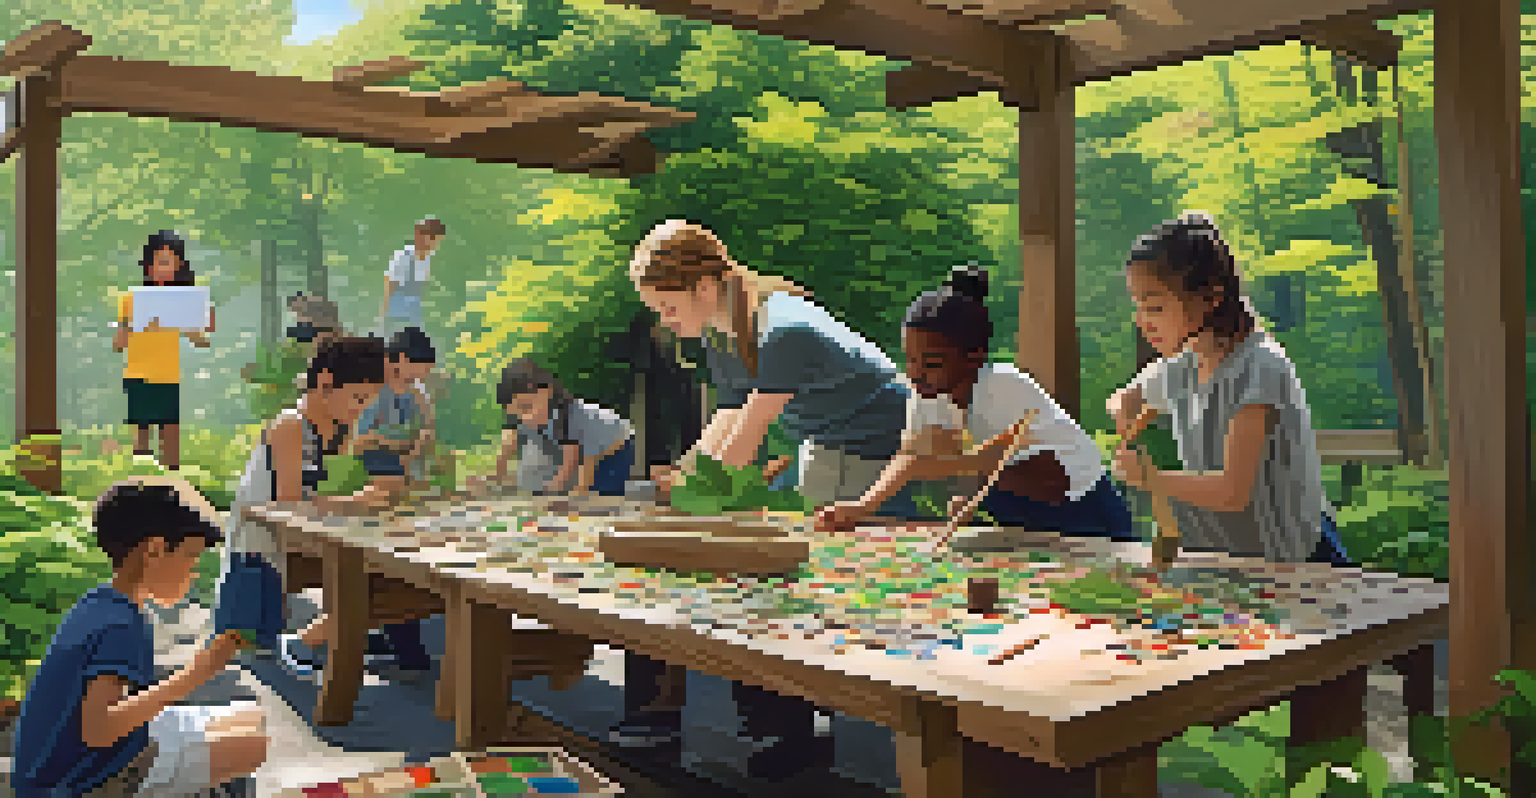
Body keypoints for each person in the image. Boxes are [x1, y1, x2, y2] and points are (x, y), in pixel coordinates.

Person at [620, 219, 917, 776]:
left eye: (666, 305)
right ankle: (793, 731)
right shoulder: (719, 331)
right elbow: (725, 419)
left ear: (704, 287)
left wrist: (687, 504)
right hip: (826, 445)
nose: (664, 318)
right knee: (798, 578)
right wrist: (683, 477)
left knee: (869, 586)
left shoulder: (781, 329)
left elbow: (748, 438)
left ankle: (893, 735)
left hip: (888, 453)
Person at [816, 265, 1134, 539]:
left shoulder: (1003, 387)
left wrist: (962, 475)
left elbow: (1050, 480)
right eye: (910, 360)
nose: (916, 374)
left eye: (931, 363)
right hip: (1019, 509)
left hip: (1084, 511)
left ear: (973, 359)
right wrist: (862, 507)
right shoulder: (930, 392)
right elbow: (911, 454)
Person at [1107, 212, 1351, 565]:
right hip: (1228, 561)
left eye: (1156, 306)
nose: (1142, 321)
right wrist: (1127, 423)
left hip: (1297, 560)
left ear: (1210, 297)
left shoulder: (1260, 366)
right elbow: (1125, 398)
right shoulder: (1181, 366)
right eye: (1138, 306)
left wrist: (1148, 477)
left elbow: (1233, 492)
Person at [10, 479, 268, 798]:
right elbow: (99, 729)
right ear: (154, 550)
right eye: (191, 557)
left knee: (254, 719)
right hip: (84, 780)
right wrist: (201, 671)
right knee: (257, 748)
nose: (195, 571)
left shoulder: (103, 601)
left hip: (85, 759)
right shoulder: (119, 626)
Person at [216, 337, 405, 677]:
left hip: (286, 540)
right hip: (256, 548)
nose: (361, 410)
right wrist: (357, 502)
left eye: (368, 402)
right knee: (249, 650)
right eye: (359, 399)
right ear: (325, 383)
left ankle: (329, 638)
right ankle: (310, 642)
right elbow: (290, 501)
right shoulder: (292, 425)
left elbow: (311, 495)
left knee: (376, 576)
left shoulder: (326, 429)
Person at [344, 327, 440, 681]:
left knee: (398, 568)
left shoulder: (418, 396)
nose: (422, 375)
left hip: (407, 485)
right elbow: (356, 441)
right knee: (382, 569)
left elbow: (427, 432)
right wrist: (389, 441)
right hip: (373, 483)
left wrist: (421, 443)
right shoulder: (373, 393)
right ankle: (402, 647)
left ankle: (404, 648)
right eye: (419, 366)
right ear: (398, 360)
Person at [112, 230, 215, 471]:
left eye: (171, 263)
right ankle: (140, 493)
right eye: (160, 262)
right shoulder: (130, 299)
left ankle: (170, 495)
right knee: (142, 445)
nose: (165, 269)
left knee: (170, 444)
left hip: (169, 377)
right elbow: (119, 344)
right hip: (138, 376)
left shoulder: (183, 301)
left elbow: (201, 341)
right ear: (148, 266)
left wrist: (201, 323)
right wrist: (131, 325)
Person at [478, 359, 635, 497]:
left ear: (547, 392)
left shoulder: (574, 416)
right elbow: (510, 444)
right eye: (516, 414)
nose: (524, 418)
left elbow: (584, 461)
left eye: (526, 407)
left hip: (620, 450)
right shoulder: (536, 419)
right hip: (589, 452)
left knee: (601, 493)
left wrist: (573, 495)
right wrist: (495, 477)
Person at [378, 217, 446, 338]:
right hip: (396, 315)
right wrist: (383, 317)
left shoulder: (427, 258)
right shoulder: (404, 256)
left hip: (414, 316)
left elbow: (420, 289)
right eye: (432, 238)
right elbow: (389, 284)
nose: (434, 244)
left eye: (437, 240)